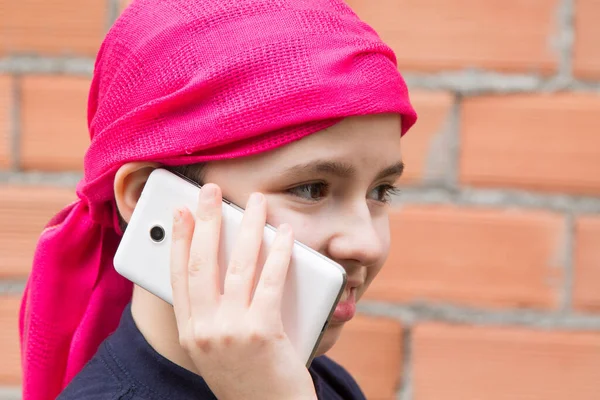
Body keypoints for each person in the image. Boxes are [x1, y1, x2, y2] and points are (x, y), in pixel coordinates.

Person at [19, 0, 417, 399]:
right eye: (311, 189)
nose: (366, 244)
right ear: (146, 199)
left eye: (380, 192)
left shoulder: (320, 382)